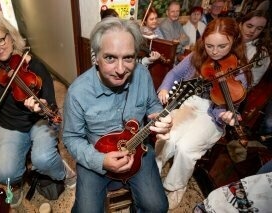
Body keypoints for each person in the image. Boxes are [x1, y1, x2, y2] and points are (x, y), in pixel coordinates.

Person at [63, 17, 173, 212]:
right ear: (95, 56)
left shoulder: (142, 75)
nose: (121, 70)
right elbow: (72, 138)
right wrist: (100, 161)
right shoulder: (77, 92)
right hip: (95, 154)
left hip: (139, 149)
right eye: (110, 58)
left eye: (129, 58)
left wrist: (158, 116)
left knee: (157, 207)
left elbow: (153, 105)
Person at [0, 11, 74, 207]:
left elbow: (51, 105)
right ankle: (16, 184)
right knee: (4, 173)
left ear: (10, 34)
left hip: (38, 121)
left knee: (43, 160)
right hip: (9, 125)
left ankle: (64, 172)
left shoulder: (33, 66)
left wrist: (41, 110)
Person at [156, 17, 249, 209]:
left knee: (186, 148)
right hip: (189, 102)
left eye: (222, 46)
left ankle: (175, 186)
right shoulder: (196, 56)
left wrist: (224, 115)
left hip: (212, 112)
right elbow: (174, 74)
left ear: (234, 41)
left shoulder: (239, 70)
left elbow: (228, 107)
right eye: (209, 46)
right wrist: (164, 89)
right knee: (167, 137)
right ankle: (152, 172)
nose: (214, 52)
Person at [91, 8, 161, 67]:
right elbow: (96, 64)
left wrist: (149, 60)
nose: (118, 26)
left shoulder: (121, 39)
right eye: (115, 24)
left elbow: (133, 62)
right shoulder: (98, 40)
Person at [238, 10, 271, 88]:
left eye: (259, 28)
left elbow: (251, 84)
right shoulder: (228, 39)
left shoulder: (261, 53)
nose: (252, 31)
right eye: (249, 26)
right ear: (240, 24)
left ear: (263, 31)